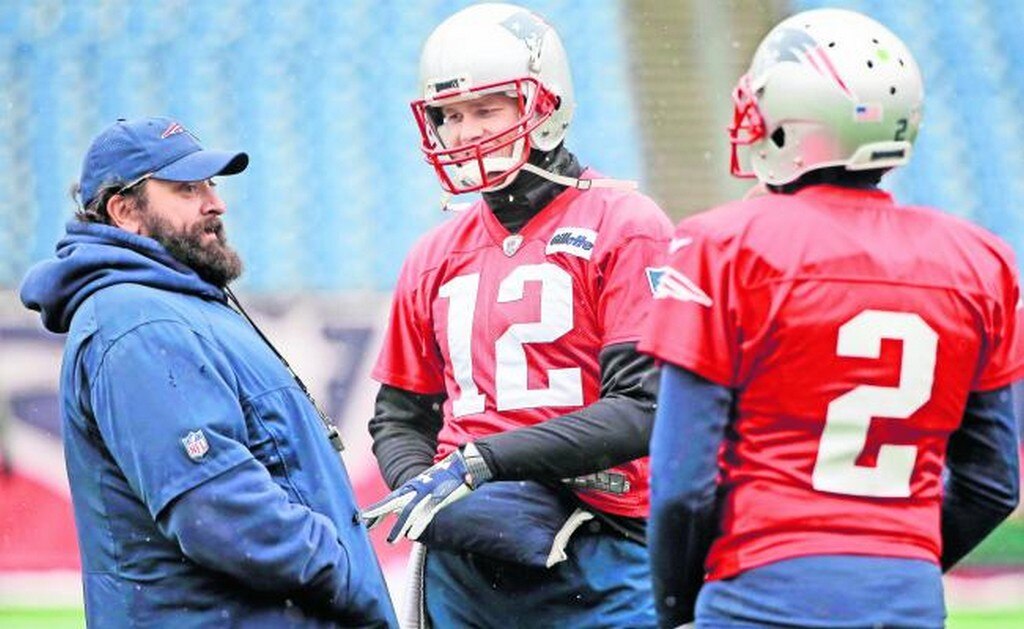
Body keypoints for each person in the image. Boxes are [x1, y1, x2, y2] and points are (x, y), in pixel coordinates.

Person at [640, 8, 1022, 628]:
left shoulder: (724, 245)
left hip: (759, 594)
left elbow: (682, 482)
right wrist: (896, 565)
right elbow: (992, 483)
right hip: (907, 600)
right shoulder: (982, 261)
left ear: (793, 125)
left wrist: (676, 604)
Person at [359, 3, 673, 627]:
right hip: (471, 558)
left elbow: (646, 408)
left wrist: (490, 462)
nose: (465, 131)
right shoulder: (434, 253)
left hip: (601, 541)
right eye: (449, 115)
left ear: (546, 105)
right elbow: (399, 415)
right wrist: (432, 495)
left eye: (486, 109)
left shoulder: (626, 226)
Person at [19, 116, 398, 627]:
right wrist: (346, 573)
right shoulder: (137, 323)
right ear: (125, 211)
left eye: (211, 185)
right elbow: (218, 512)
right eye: (186, 189)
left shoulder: (176, 306)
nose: (214, 202)